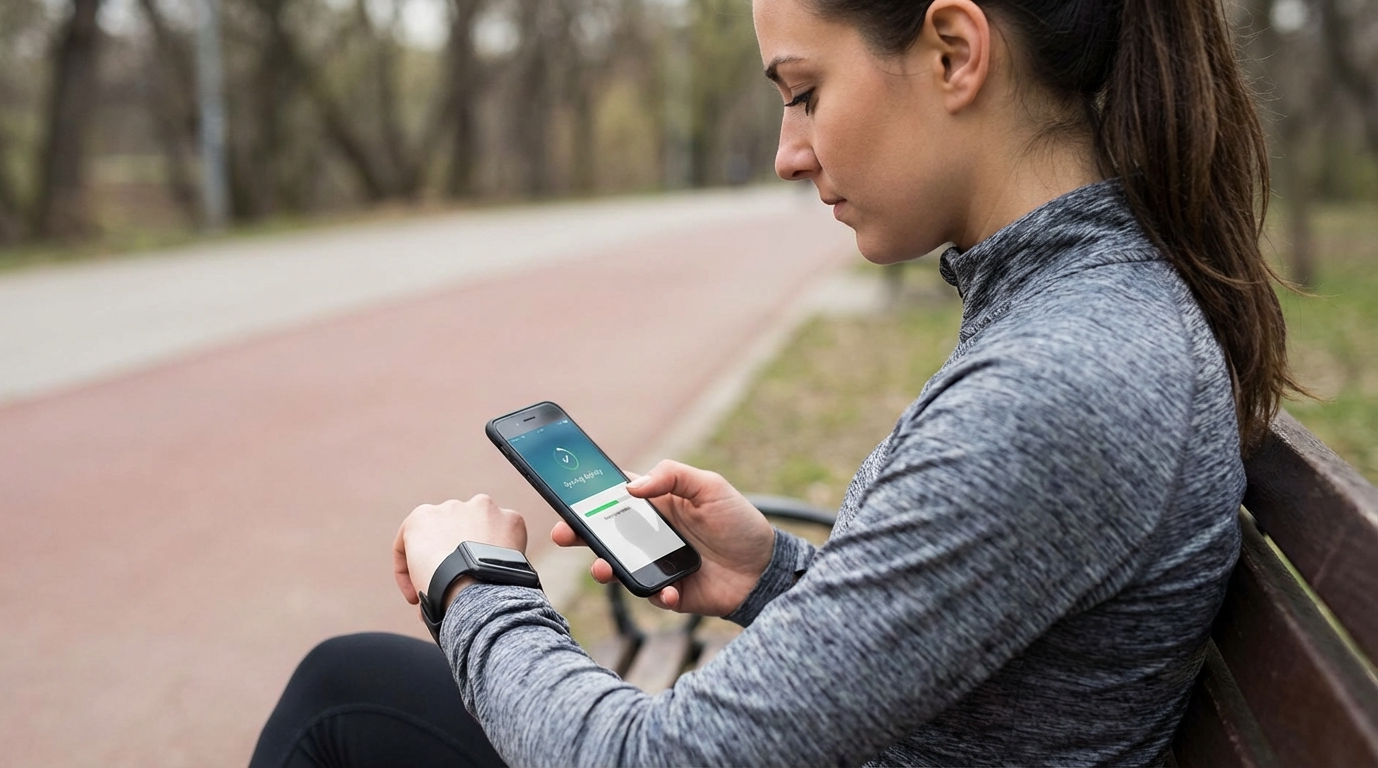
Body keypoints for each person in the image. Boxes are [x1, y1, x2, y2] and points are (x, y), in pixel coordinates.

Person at [250, 0, 1300, 764]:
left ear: (952, 52)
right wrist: (773, 577)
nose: (787, 154)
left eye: (804, 94)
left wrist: (473, 587)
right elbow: (1003, 657)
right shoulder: (1092, 314)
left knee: (343, 702)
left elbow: (654, 760)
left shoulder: (1060, 378)